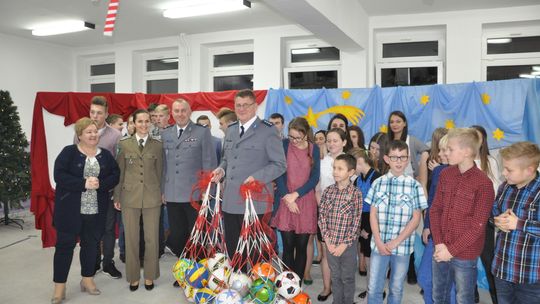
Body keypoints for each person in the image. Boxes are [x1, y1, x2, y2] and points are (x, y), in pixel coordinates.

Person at [51, 117, 120, 304]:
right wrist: (83, 183)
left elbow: (115, 175)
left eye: (94, 131)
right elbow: (59, 175)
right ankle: (60, 286)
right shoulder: (69, 152)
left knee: (90, 245)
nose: (92, 135)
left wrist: (101, 184)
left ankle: (87, 280)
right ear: (79, 134)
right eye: (88, 132)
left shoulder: (105, 155)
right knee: (65, 247)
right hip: (69, 210)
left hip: (95, 210)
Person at [211, 89, 286, 259]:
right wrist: (221, 169)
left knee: (255, 253)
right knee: (233, 248)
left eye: (246, 105)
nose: (242, 108)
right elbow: (227, 159)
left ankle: (255, 285)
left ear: (255, 106)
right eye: (238, 105)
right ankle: (238, 283)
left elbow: (280, 165)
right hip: (230, 200)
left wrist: (257, 178)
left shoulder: (268, 130)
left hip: (255, 201)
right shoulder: (231, 129)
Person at [430, 128, 495, 304]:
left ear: (466, 152)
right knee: (438, 295)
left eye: (450, 149)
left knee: (464, 298)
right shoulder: (445, 174)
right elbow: (435, 209)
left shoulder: (484, 184)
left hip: (465, 253)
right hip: (441, 247)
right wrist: (439, 243)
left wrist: (450, 251)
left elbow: (477, 227)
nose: (445, 153)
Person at [366, 140, 427, 304]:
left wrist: (396, 242)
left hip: (402, 247)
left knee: (397, 287)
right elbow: (373, 214)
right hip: (378, 245)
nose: (399, 161)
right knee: (374, 287)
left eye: (402, 157)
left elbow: (416, 218)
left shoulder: (415, 186)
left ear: (407, 159)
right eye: (394, 157)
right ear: (386, 159)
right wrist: (378, 240)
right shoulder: (378, 183)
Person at [164, 100, 217, 287]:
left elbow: (209, 162)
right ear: (172, 112)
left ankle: (198, 273)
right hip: (171, 193)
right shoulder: (166, 133)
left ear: (190, 111)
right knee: (177, 235)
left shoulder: (202, 132)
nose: (180, 114)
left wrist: (205, 189)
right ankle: (185, 268)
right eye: (176, 111)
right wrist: (163, 190)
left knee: (197, 235)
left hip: (194, 194)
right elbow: (163, 165)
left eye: (183, 110)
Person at [113, 109, 163, 291]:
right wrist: (117, 196)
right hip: (129, 197)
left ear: (150, 122)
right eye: (139, 121)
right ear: (133, 123)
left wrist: (161, 193)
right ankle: (133, 277)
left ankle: (150, 276)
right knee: (131, 239)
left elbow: (161, 172)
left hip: (152, 197)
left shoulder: (157, 144)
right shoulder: (124, 144)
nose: (143, 125)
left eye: (146, 121)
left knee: (152, 239)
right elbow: (120, 172)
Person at [74, 96, 122, 279]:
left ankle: (108, 262)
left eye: (99, 113)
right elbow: (76, 160)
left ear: (106, 114)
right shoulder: (80, 132)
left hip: (106, 191)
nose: (95, 116)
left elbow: (118, 167)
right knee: (90, 228)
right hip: (86, 191)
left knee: (108, 229)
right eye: (92, 112)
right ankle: (93, 261)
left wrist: (115, 191)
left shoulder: (116, 136)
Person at [271, 117, 320, 281]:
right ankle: (286, 285)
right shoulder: (283, 145)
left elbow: (314, 178)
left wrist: (296, 194)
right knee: (288, 246)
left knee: (301, 247)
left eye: (297, 138)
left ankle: (297, 287)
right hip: (286, 201)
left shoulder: (314, 149)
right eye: (291, 137)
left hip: (305, 201)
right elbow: (278, 172)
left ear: (306, 134)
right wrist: (287, 197)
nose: (294, 141)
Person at [492, 142, 540, 304]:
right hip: (502, 268)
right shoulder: (505, 187)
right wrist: (496, 220)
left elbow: (518, 223)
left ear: (529, 170)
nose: (504, 173)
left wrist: (519, 223)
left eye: (509, 170)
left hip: (530, 275)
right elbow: (494, 211)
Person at [387, 110, 428, 284]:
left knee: (408, 230)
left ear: (404, 123)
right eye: (392, 122)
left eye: (398, 121)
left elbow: (427, 151)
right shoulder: (387, 141)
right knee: (391, 230)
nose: (395, 124)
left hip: (408, 190)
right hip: (390, 190)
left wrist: (420, 173)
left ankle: (410, 269)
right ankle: (392, 267)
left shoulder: (411, 140)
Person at [319, 153, 363, 304]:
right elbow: (322, 217)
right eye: (334, 168)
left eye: (340, 168)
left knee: (348, 277)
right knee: (335, 276)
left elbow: (356, 222)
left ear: (351, 172)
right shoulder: (328, 191)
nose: (335, 171)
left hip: (347, 246)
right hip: (331, 243)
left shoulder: (355, 194)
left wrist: (344, 244)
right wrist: (328, 241)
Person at [417, 135, 450, 304]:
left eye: (446, 150)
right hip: (435, 233)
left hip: (452, 237)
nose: (442, 154)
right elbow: (432, 202)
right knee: (425, 277)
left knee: (449, 283)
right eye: (441, 150)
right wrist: (427, 226)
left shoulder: (469, 175)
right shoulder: (439, 171)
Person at [316, 127, 348, 301]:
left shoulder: (351, 162)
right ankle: (327, 287)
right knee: (327, 252)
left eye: (335, 140)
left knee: (343, 253)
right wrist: (324, 212)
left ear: (344, 142)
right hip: (326, 214)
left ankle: (341, 288)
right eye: (328, 140)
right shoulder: (322, 162)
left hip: (345, 217)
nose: (331, 144)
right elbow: (317, 190)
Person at [472, 125, 502, 304]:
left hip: (486, 215)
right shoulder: (461, 162)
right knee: (467, 260)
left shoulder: (490, 161)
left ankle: (496, 297)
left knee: (488, 257)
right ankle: (472, 295)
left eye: (478, 137)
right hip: (467, 216)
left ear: (483, 140)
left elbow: (497, 187)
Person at [349, 147, 382, 299]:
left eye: (351, 165)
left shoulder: (376, 177)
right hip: (363, 220)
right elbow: (355, 204)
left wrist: (368, 228)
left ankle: (375, 290)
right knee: (368, 258)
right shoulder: (357, 179)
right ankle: (371, 289)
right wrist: (360, 227)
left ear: (359, 162)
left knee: (373, 260)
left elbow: (380, 206)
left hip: (374, 221)